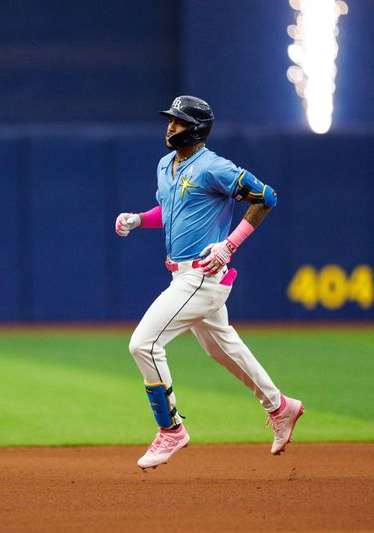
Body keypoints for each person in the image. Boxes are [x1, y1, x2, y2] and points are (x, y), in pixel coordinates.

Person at [115, 95, 304, 470]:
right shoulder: (166, 164)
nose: (171, 127)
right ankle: (281, 407)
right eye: (170, 120)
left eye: (179, 122)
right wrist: (139, 219)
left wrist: (229, 245)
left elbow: (266, 197)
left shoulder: (213, 167)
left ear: (197, 128)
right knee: (223, 349)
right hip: (183, 273)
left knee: (144, 345)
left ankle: (170, 430)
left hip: (202, 276)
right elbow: (168, 212)